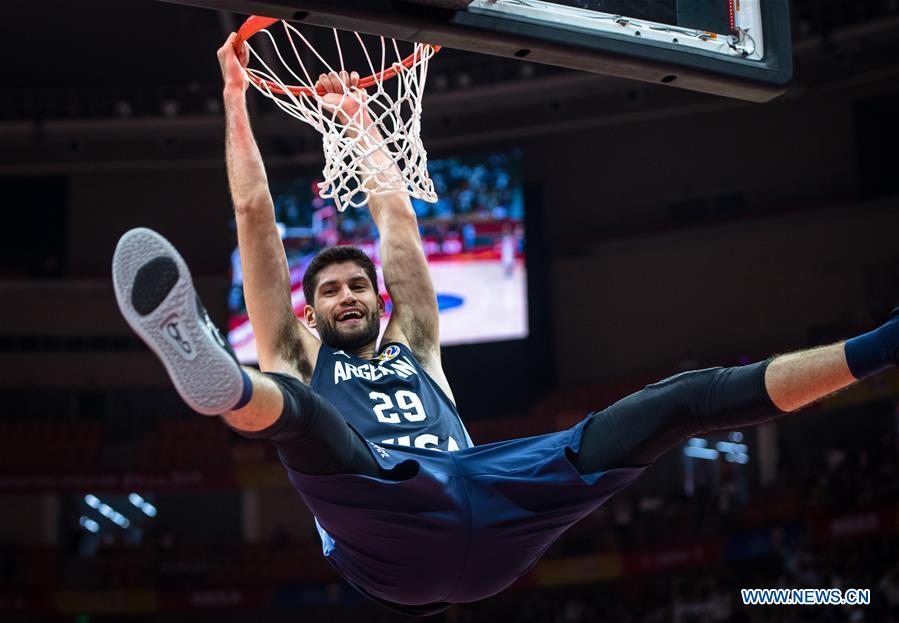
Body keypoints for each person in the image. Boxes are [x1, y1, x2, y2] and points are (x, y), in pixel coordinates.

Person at [111, 33, 899, 616]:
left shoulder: (414, 340)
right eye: (332, 291)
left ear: (379, 300)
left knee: (678, 401)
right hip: (384, 535)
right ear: (310, 311)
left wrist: (359, 120)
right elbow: (255, 215)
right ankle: (223, 378)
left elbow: (397, 226)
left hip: (490, 505)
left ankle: (885, 342)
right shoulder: (298, 349)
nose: (348, 294)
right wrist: (233, 101)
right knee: (304, 415)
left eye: (359, 285)